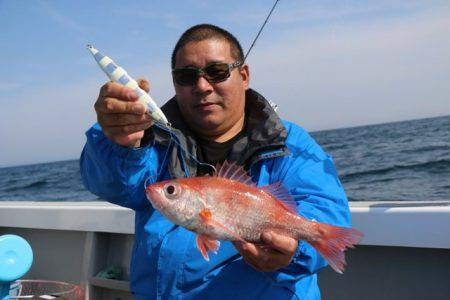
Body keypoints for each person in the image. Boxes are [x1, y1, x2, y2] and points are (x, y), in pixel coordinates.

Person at [80, 24, 352, 300]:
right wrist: (118, 142)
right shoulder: (152, 142)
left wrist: (292, 253)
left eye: (217, 72)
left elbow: (327, 211)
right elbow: (109, 183)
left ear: (243, 75)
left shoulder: (291, 144)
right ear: (175, 84)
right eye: (187, 76)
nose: (202, 86)